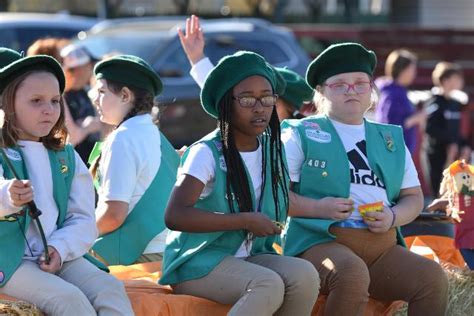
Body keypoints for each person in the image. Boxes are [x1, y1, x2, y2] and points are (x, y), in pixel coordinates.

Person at [281, 42, 448, 316]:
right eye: (340, 84)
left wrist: (392, 217)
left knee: (432, 278)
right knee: (352, 275)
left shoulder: (390, 137)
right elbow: (275, 195)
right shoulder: (301, 132)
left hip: (381, 248)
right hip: (319, 243)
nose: (351, 90)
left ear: (371, 89)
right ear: (321, 91)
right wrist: (318, 208)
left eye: (360, 83)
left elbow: (413, 197)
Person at [160, 51, 319, 316]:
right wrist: (244, 220)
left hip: (249, 255)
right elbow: (175, 215)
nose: (259, 107)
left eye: (267, 97)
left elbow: (284, 200)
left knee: (305, 275)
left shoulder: (272, 149)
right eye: (246, 99)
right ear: (226, 103)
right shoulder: (206, 152)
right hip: (198, 261)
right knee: (267, 284)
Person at [0, 55, 133, 315]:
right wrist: (8, 196)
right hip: (11, 260)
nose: (48, 109)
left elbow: (83, 218)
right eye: (36, 101)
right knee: (68, 299)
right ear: (7, 104)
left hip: (57, 253)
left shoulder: (66, 156)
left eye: (54, 100)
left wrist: (60, 248)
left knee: (110, 289)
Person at [89, 55, 179, 265]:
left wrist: (74, 236)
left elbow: (112, 215)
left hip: (135, 257)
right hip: (166, 253)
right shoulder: (155, 134)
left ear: (125, 95)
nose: (95, 99)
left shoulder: (123, 137)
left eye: (102, 91)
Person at [178, 15, 314, 121]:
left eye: (267, 100)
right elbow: (217, 89)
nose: (258, 108)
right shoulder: (244, 129)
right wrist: (196, 57)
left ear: (290, 110)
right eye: (247, 100)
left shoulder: (296, 142)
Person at [425, 61, 470, 197]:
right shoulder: (434, 102)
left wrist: (464, 145)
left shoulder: (456, 104)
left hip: (453, 152)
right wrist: (449, 142)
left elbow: (456, 130)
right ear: (445, 80)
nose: (460, 82)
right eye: (456, 78)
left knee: (456, 190)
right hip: (437, 153)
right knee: (438, 188)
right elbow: (430, 129)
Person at [375, 49, 425, 155]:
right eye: (412, 69)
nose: (414, 73)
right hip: (395, 153)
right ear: (402, 70)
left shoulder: (399, 91)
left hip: (400, 153)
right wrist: (415, 119)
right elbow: (388, 126)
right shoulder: (392, 94)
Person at [61, 43, 102, 163]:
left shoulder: (84, 92)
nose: (92, 70)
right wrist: (87, 128)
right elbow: (70, 139)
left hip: (89, 160)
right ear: (80, 68)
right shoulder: (63, 97)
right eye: (90, 66)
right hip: (74, 163)